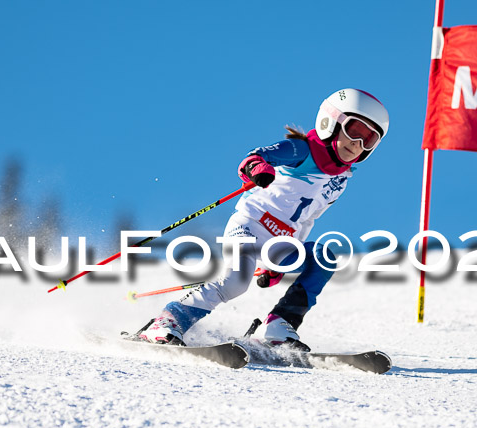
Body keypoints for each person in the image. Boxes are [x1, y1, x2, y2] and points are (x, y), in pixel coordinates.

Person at [138, 88, 390, 349]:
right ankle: (168, 321)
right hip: (249, 226)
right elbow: (254, 158)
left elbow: (306, 220)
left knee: (324, 258)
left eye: (369, 139)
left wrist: (276, 265)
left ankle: (279, 326)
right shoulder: (301, 150)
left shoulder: (340, 180)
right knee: (236, 283)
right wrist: (259, 169)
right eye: (354, 131)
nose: (357, 143)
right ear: (331, 121)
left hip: (280, 243)